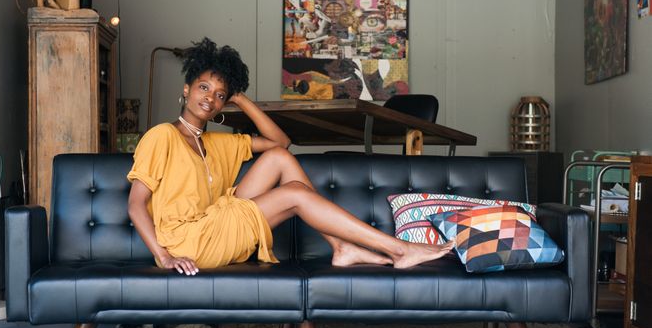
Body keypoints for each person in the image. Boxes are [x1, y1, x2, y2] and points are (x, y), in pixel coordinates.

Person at [127, 38, 454, 276]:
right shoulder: (162, 136)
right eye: (203, 88)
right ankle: (399, 249)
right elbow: (136, 204)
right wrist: (164, 257)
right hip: (190, 243)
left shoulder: (216, 142)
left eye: (220, 95)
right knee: (296, 194)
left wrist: (241, 99)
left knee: (280, 160)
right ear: (186, 89)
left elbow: (280, 142)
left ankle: (341, 247)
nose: (210, 98)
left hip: (217, 223)